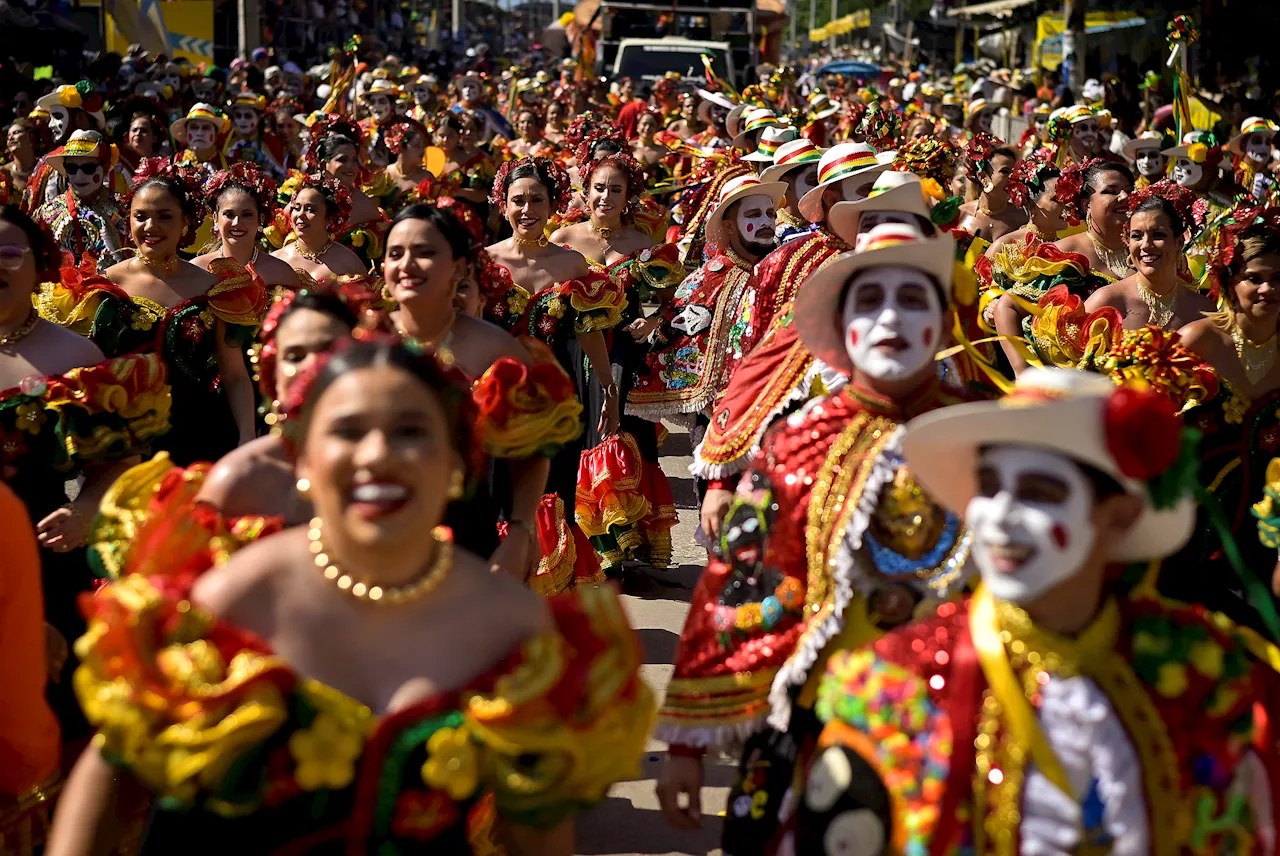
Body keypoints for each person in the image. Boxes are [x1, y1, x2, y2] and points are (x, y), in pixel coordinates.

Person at [47, 338, 655, 856]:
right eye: (347, 430)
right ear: (305, 461)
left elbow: (538, 840)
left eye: (411, 432)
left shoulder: (515, 629)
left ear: (456, 463)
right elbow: (111, 779)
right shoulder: (227, 599)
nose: (377, 456)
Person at [788, 367, 1280, 855]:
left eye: (1040, 493)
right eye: (988, 485)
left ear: (1118, 518)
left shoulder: (1199, 675)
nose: (999, 515)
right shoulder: (891, 687)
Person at [656, 224, 972, 853]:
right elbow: (737, 583)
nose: (891, 319)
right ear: (842, 326)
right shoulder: (796, 444)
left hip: (960, 723)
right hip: (822, 719)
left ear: (942, 323)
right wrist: (690, 742)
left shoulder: (987, 438)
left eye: (913, 300)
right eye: (870, 301)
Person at [0, 204, 169, 743]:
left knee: (53, 721)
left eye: (8, 253)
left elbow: (117, 464)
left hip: (47, 558)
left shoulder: (74, 355)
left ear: (39, 263)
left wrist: (83, 512)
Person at [386, 201, 584, 588]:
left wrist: (521, 531)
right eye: (396, 253)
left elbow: (531, 454)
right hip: (374, 525)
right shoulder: (361, 338)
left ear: (459, 268)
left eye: (425, 253)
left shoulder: (496, 351)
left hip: (465, 533)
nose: (407, 264)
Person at [37, 159, 264, 467]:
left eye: (164, 217)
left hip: (202, 439)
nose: (150, 227)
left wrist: (247, 437)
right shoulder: (101, 285)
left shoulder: (218, 288)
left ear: (185, 222)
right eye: (140, 216)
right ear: (128, 222)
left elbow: (235, 375)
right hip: (124, 445)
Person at [484, 156, 626, 579]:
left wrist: (608, 389)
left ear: (553, 205)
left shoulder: (571, 265)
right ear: (502, 204)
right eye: (517, 201)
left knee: (553, 491)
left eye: (536, 200)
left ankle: (549, 592)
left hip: (558, 394)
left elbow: (590, 332)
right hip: (495, 396)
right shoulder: (484, 263)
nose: (527, 210)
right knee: (498, 493)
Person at [1171, 212, 1280, 636]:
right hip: (1192, 509)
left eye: (1278, 278)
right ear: (1230, 281)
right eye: (1254, 277)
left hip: (1265, 515)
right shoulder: (1199, 340)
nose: (1268, 288)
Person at [1085, 182, 1214, 331]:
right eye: (1137, 236)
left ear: (1179, 243)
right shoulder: (1108, 301)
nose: (1145, 245)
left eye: (1158, 235)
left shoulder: (1203, 310)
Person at [194, 163, 300, 290]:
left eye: (247, 215)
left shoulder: (280, 272)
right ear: (215, 218)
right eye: (229, 214)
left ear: (260, 219)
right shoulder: (197, 270)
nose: (237, 223)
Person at [34, 130, 127, 269]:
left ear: (106, 168)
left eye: (88, 168)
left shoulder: (124, 211)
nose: (79, 175)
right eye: (71, 168)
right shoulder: (47, 214)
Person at [272, 173, 368, 280]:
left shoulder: (349, 263)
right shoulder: (277, 260)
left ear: (329, 218)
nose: (300, 215)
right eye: (297, 208)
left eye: (310, 209)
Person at [956, 139, 1027, 242]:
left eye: (1015, 172)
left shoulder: (1023, 219)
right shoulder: (961, 214)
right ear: (983, 177)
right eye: (1005, 172)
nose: (1013, 178)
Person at [760, 138, 823, 243]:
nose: (820, 188)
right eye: (812, 181)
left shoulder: (832, 221)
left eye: (821, 181)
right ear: (787, 185)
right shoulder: (769, 231)